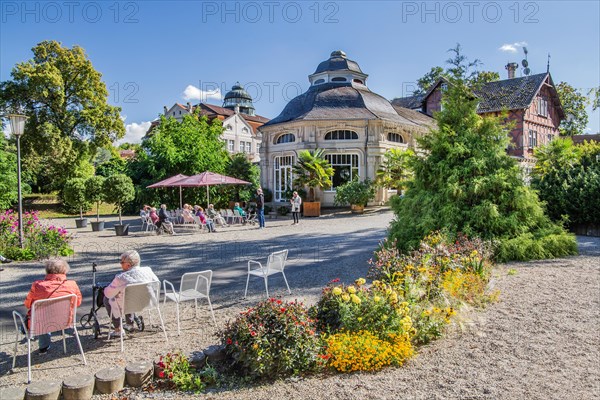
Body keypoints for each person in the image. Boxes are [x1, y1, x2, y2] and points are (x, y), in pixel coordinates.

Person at [23, 259, 82, 353]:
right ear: (65, 270)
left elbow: (27, 304)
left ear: (47, 270)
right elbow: (77, 302)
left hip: (39, 324)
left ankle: (43, 347)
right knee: (46, 315)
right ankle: (44, 346)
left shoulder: (37, 285)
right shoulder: (72, 284)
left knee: (41, 316)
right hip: (65, 321)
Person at [103, 250, 158, 336]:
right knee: (128, 295)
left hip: (127, 306)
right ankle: (129, 323)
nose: (120, 264)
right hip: (148, 302)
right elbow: (156, 284)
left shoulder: (121, 278)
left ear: (128, 265)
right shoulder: (148, 270)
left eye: (122, 262)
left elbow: (107, 293)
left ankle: (118, 329)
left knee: (108, 299)